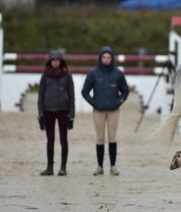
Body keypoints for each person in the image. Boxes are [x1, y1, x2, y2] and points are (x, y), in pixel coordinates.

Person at [81, 46, 129, 176]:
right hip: (98, 111)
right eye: (104, 57)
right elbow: (84, 91)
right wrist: (94, 103)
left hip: (114, 111)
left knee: (112, 138)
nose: (106, 59)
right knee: (100, 138)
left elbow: (125, 90)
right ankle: (99, 166)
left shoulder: (118, 73)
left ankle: (113, 166)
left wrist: (119, 102)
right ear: (100, 58)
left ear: (112, 58)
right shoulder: (93, 73)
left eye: (109, 57)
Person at [38, 51, 75, 176]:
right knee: (50, 139)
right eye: (53, 60)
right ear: (49, 61)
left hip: (63, 111)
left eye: (57, 60)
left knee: (63, 139)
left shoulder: (67, 75)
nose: (55, 62)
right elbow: (40, 96)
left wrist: (72, 115)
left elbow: (72, 96)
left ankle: (63, 167)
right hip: (48, 110)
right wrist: (41, 114)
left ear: (61, 61)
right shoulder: (45, 75)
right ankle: (49, 167)